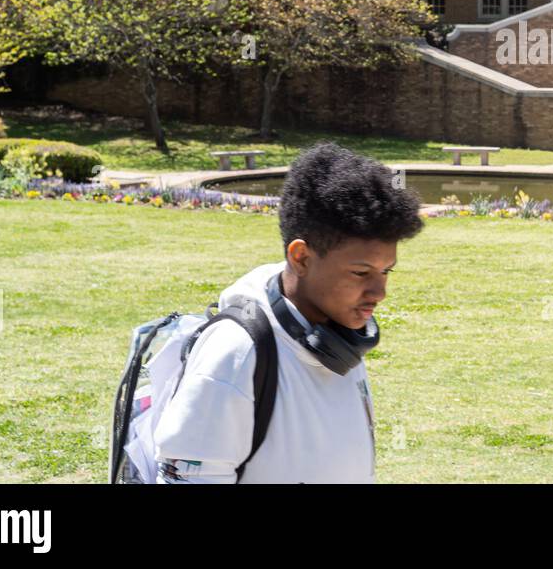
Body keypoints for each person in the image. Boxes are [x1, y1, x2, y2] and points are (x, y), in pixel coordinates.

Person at [153, 143, 423, 483]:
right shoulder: (235, 355)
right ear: (302, 258)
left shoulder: (340, 337)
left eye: (386, 272)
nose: (379, 293)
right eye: (360, 273)